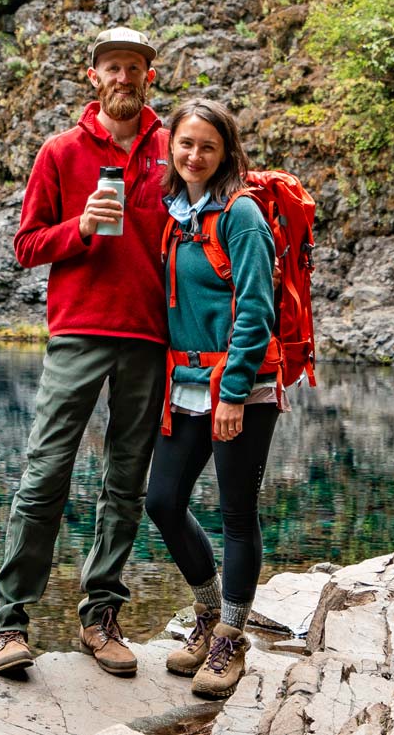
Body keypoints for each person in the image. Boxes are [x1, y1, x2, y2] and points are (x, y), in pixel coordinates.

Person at [0, 26, 171, 679]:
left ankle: (100, 616)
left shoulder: (171, 150)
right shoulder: (60, 152)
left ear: (150, 74)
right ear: (94, 76)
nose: (124, 77)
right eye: (112, 67)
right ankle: (8, 623)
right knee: (46, 474)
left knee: (125, 485)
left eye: (134, 67)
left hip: (150, 336)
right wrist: (81, 227)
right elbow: (27, 245)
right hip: (80, 331)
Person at [144, 98, 281, 700]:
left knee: (235, 514)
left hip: (241, 388)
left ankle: (231, 636)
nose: (193, 155)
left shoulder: (241, 214)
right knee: (163, 501)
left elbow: (257, 310)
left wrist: (232, 393)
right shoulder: (175, 213)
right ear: (170, 148)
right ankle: (206, 614)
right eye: (184, 144)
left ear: (226, 152)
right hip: (186, 384)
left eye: (207, 146)